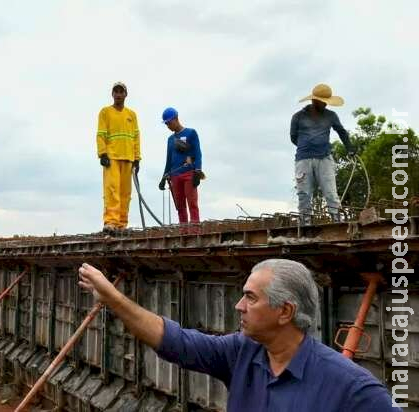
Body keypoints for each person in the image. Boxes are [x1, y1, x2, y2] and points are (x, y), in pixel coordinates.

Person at [78, 259, 400, 411]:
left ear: (285, 312)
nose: (238, 306)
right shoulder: (242, 353)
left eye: (251, 297)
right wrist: (113, 299)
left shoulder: (352, 389)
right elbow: (175, 342)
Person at [291, 83, 356, 224]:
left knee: (331, 193)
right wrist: (307, 147)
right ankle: (305, 228)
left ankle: (338, 224)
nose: (325, 104)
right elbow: (293, 137)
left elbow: (341, 132)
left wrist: (350, 147)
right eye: (322, 102)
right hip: (303, 160)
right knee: (304, 195)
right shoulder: (298, 117)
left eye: (326, 102)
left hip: (325, 159)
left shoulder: (331, 116)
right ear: (314, 100)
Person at [96, 82, 141, 234]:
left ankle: (122, 223)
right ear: (112, 94)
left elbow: (136, 136)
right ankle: (111, 222)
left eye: (121, 92)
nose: (118, 94)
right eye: (116, 91)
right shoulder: (105, 112)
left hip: (128, 157)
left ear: (125, 95)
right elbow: (101, 134)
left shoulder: (131, 115)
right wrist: (102, 153)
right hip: (112, 157)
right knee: (112, 190)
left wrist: (137, 158)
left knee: (125, 193)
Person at [158, 107, 203, 224]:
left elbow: (198, 153)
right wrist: (163, 177)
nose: (168, 126)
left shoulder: (191, 133)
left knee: (192, 203)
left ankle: (194, 233)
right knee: (180, 206)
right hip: (174, 175)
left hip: (189, 173)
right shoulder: (170, 139)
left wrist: (198, 171)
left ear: (176, 118)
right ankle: (183, 234)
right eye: (166, 124)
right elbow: (168, 160)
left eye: (169, 123)